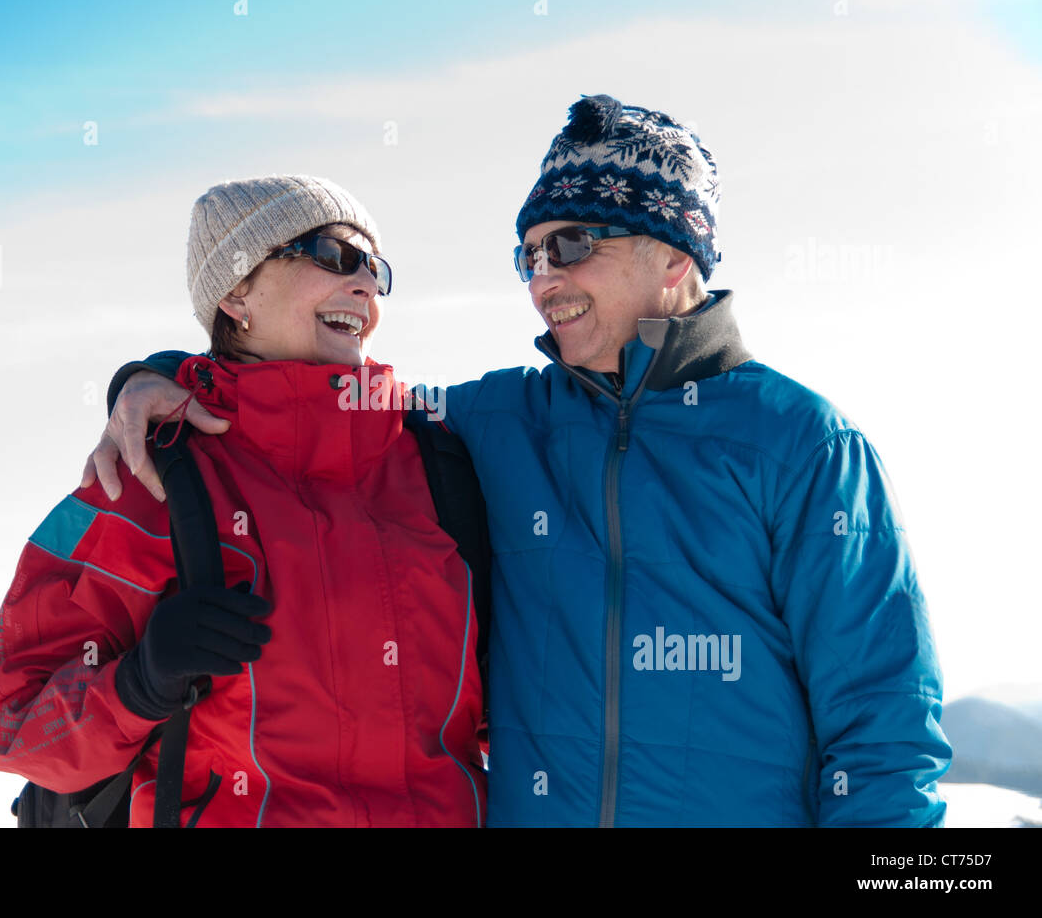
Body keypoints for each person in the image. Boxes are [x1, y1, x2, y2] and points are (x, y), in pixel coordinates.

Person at [90, 95, 952, 827]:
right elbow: (302, 401)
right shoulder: (496, 423)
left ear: (672, 254)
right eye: (528, 256)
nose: (543, 280)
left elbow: (885, 737)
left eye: (572, 245)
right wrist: (156, 378)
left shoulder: (803, 446)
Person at [0, 174, 486, 827]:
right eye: (334, 255)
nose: (364, 284)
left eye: (374, 268)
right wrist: (139, 684)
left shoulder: (441, 460)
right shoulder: (148, 475)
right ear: (237, 292)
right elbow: (5, 718)